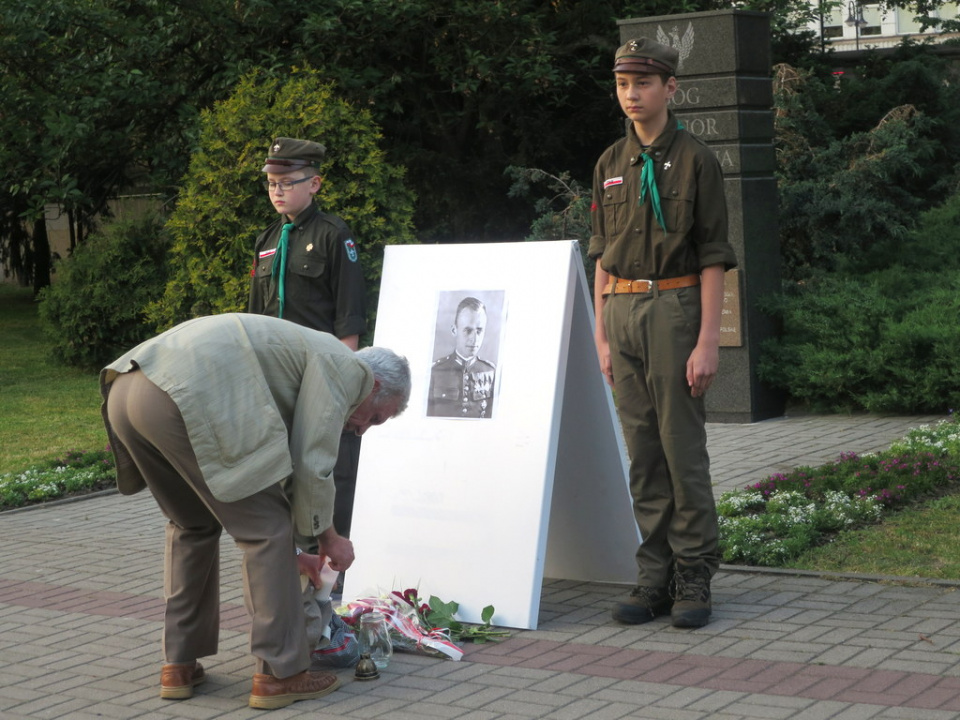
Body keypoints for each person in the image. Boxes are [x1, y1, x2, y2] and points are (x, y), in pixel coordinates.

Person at [99, 313, 411, 710]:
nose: (362, 429)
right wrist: (328, 537)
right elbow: (311, 459)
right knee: (268, 532)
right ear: (376, 386)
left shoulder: (308, 352)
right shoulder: (347, 368)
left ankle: (178, 665)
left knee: (192, 524)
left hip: (128, 390)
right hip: (181, 394)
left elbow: (268, 468)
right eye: (376, 417)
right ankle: (281, 675)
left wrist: (298, 554)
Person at [588, 38, 738, 629]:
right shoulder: (609, 163)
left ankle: (695, 572)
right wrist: (601, 337)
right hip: (621, 313)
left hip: (674, 308)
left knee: (681, 449)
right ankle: (655, 574)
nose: (632, 95)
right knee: (643, 454)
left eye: (643, 84)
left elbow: (713, 257)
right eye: (624, 85)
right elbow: (600, 254)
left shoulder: (697, 159)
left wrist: (706, 341)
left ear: (669, 89)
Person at [248, 136, 367, 539]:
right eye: (271, 183)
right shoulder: (267, 241)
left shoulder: (335, 235)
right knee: (280, 467)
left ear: (314, 184)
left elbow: (348, 322)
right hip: (276, 376)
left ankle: (331, 560)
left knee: (328, 467)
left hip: (320, 372)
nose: (277, 191)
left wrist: (343, 388)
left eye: (287, 182)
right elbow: (255, 318)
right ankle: (291, 553)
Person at [427, 296, 496, 418]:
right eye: (468, 330)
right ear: (454, 330)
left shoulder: (490, 371)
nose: (474, 339)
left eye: (479, 331)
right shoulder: (435, 371)